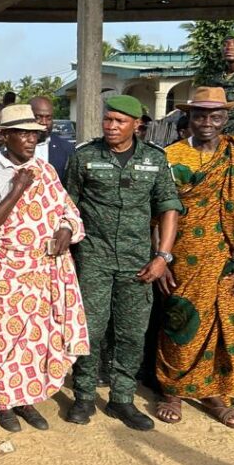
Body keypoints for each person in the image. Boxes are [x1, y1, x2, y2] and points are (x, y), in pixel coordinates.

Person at [64, 94, 182, 431]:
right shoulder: (85, 156)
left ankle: (122, 399)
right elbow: (68, 206)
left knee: (131, 332)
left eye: (119, 121)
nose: (111, 126)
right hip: (93, 258)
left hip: (138, 262)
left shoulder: (155, 159)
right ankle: (84, 395)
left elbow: (169, 208)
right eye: (108, 119)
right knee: (90, 329)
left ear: (137, 125)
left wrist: (163, 257)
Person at [0, 105, 90, 432]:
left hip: (46, 268)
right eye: (22, 133)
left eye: (33, 134)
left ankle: (25, 399)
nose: (30, 140)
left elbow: (68, 211)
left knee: (37, 338)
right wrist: (17, 188)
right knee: (5, 337)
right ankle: (3, 401)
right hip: (9, 270)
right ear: (6, 135)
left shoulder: (46, 170)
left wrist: (65, 230)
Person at [154, 87, 234, 428]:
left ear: (226, 117)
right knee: (181, 321)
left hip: (232, 259)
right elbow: (155, 214)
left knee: (221, 326)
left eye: (215, 116)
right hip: (183, 256)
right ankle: (172, 390)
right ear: (190, 117)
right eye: (200, 115)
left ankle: (214, 395)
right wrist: (160, 259)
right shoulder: (170, 157)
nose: (207, 122)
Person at [30, 96, 75, 178]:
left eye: (49, 118)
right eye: (38, 117)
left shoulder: (66, 148)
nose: (44, 122)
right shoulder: (14, 148)